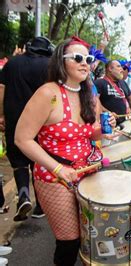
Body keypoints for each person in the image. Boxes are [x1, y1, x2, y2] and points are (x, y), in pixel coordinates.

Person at [14, 37, 115, 265]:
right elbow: (22, 138)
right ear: (61, 61)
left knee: (93, 233)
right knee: (69, 240)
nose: (84, 63)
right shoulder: (48, 93)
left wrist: (103, 132)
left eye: (88, 58)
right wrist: (59, 168)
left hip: (88, 170)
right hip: (54, 177)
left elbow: (88, 133)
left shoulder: (89, 92)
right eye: (77, 58)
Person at [0, 36, 54, 221]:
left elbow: (1, 90)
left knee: (19, 162)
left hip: (14, 119)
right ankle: (40, 205)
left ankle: (23, 195)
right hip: (41, 120)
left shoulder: (12, 63)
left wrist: (1, 115)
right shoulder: (50, 65)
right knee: (38, 160)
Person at [94, 60, 131, 124]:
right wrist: (108, 113)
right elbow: (94, 102)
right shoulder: (99, 83)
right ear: (110, 69)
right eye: (118, 66)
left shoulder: (123, 83)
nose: (122, 69)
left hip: (123, 123)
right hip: (107, 123)